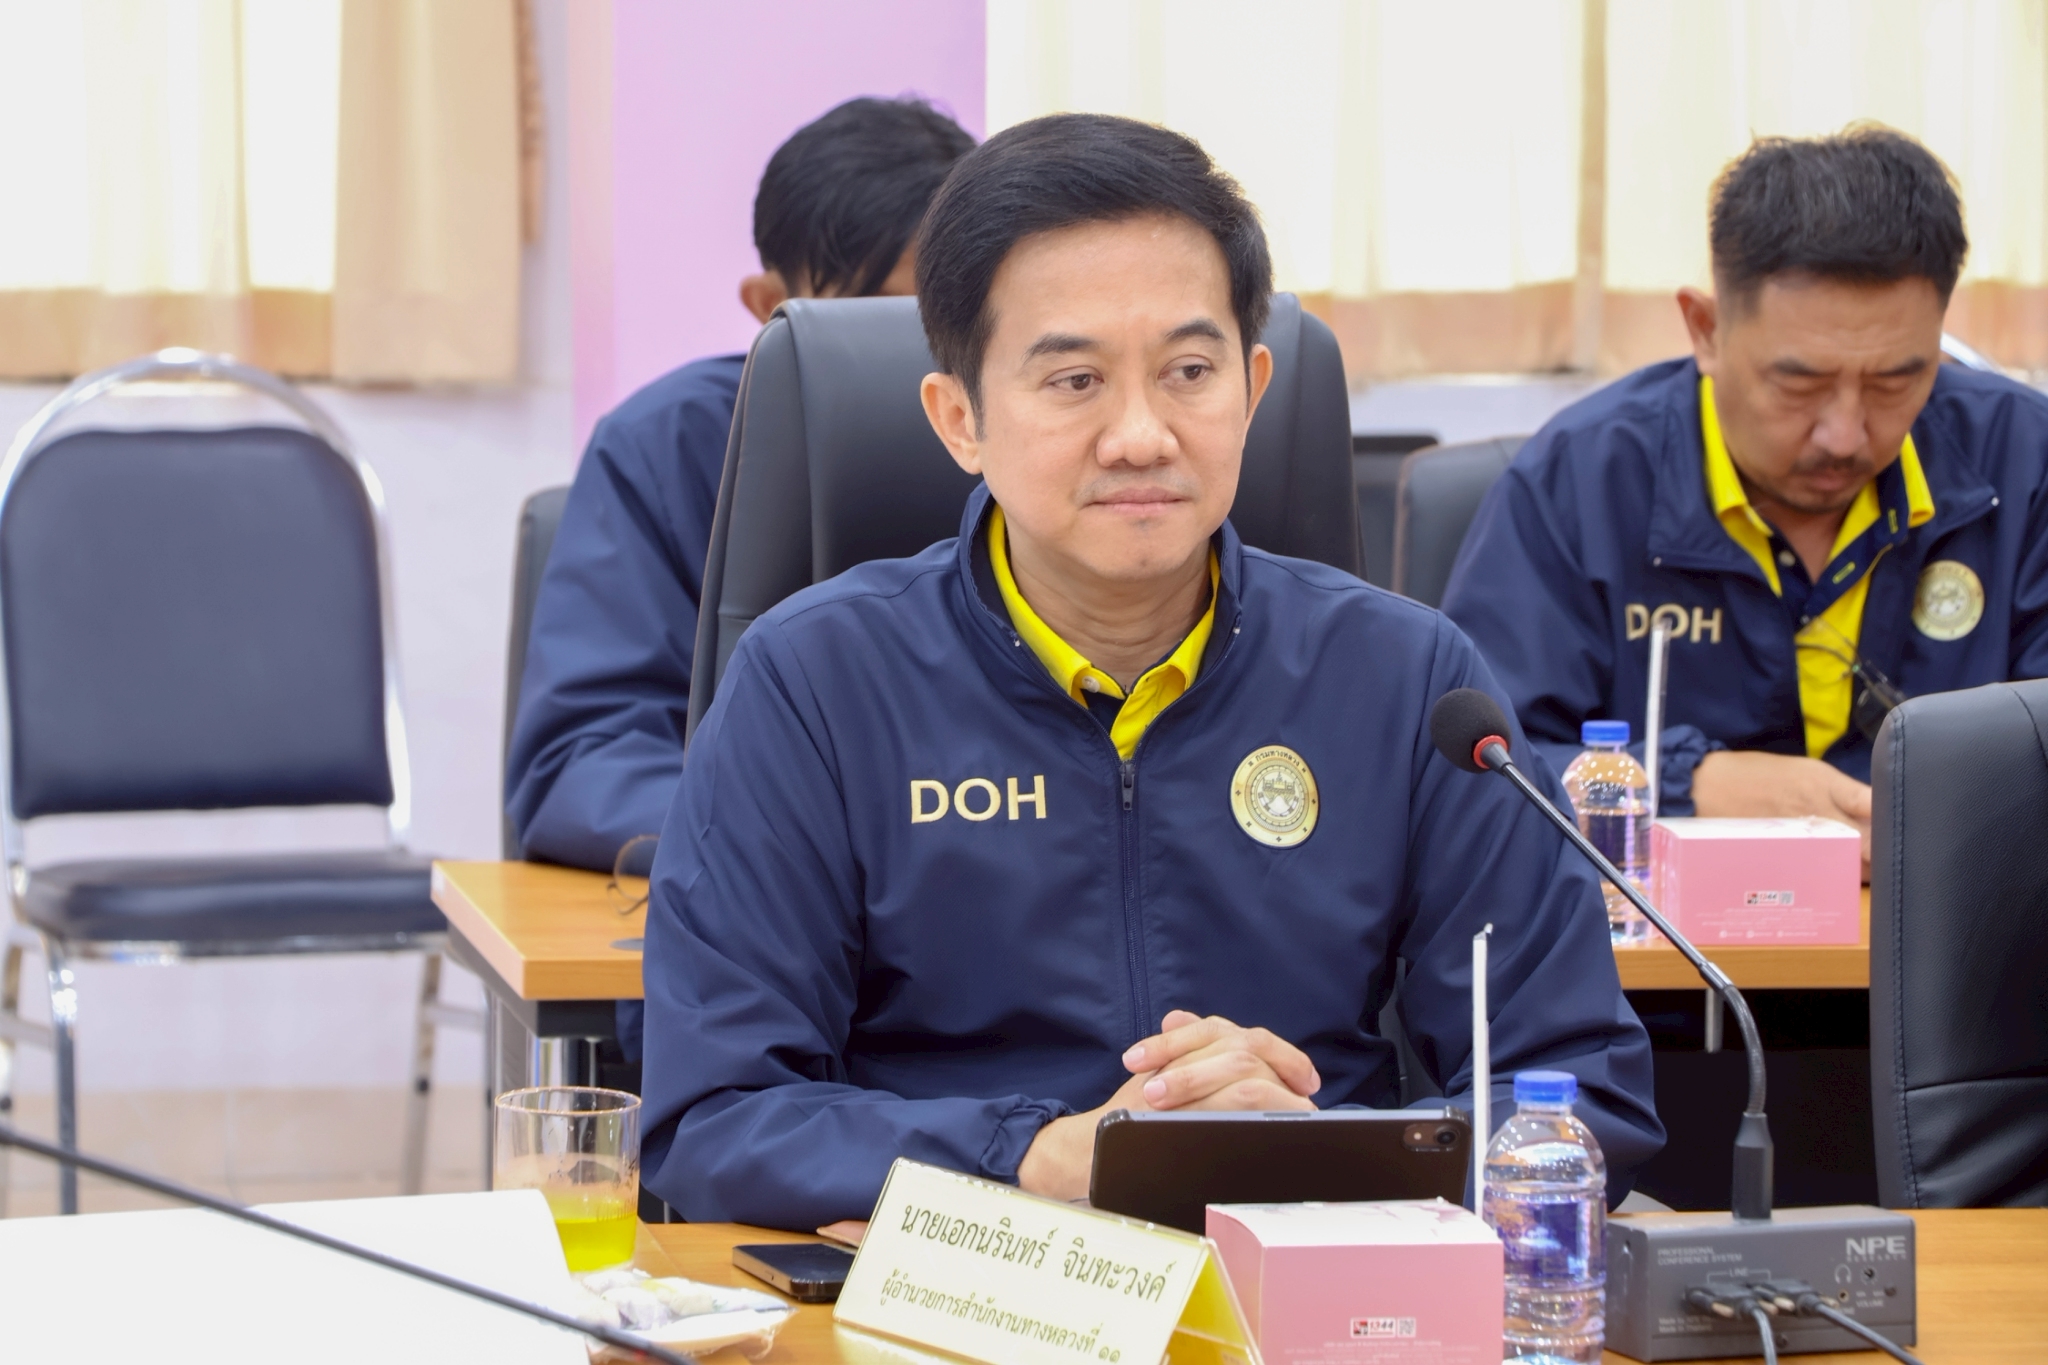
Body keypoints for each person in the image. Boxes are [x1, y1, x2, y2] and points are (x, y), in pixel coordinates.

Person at [637, 112, 1660, 1229]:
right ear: (959, 418)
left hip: (1310, 1280)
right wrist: (1039, 1154)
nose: (1140, 434)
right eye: (1074, 380)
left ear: (1253, 389)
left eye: (1188, 371)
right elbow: (716, 1117)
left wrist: (1314, 1152)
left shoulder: (1411, 683)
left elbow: (1580, 1092)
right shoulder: (815, 685)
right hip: (967, 1284)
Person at [1443, 126, 2048, 860]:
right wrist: (1683, 781)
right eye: (1800, 383)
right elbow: (1471, 770)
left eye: (1895, 380)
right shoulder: (1578, 482)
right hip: (1658, 930)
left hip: (1956, 922)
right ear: (1705, 329)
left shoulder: (2025, 461)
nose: (1844, 435)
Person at [507, 97, 976, 874]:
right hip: (772, 896)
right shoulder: (667, 444)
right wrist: (802, 839)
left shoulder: (1049, 440)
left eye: (949, 316)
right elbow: (584, 760)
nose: (923, 355)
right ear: (769, 307)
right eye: (882, 318)